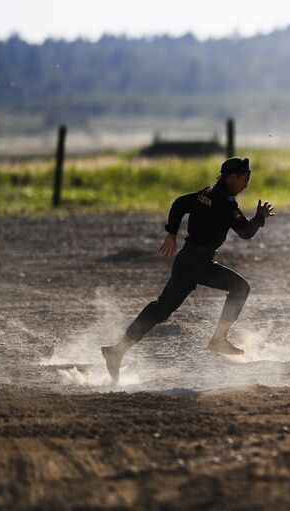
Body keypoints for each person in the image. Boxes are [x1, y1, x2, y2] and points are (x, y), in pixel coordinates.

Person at [101, 157, 275, 381]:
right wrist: (260, 218)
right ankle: (219, 339)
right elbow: (246, 232)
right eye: (244, 179)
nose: (246, 184)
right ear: (232, 178)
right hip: (197, 262)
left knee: (161, 309)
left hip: (188, 261)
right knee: (240, 287)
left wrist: (172, 232)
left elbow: (180, 203)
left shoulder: (207, 193)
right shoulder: (226, 202)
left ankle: (117, 351)